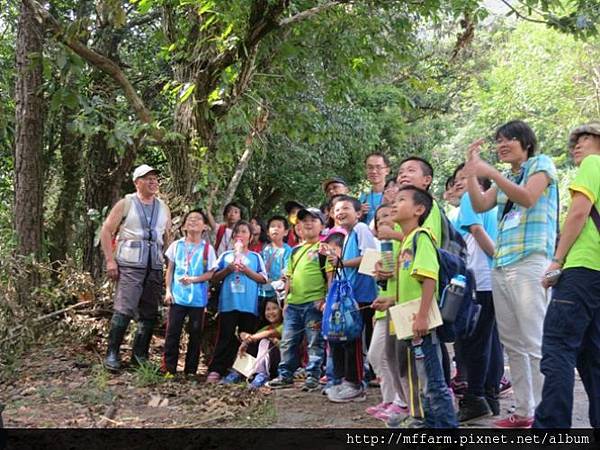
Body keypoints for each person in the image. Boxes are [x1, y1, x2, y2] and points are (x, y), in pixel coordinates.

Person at [464, 120, 558, 428]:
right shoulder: (507, 177)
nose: (502, 145)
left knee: (533, 339)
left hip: (531, 261)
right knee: (512, 342)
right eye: (499, 141)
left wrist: (489, 172)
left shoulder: (541, 164)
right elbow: (479, 205)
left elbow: (528, 198)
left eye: (508, 140)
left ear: (526, 142)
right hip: (502, 265)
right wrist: (470, 172)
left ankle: (547, 414)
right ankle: (524, 411)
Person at [534, 122, 600, 428]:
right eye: (574, 141)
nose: (577, 146)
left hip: (582, 270)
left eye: (584, 139)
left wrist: (557, 259)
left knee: (558, 348)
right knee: (593, 358)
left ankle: (550, 429)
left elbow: (578, 212)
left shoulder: (594, 163)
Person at [376, 185, 458, 428]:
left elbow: (429, 278)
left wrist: (422, 317)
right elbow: (410, 283)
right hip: (409, 319)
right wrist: (390, 301)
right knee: (421, 375)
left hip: (421, 322)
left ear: (419, 209)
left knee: (432, 378)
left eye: (402, 200)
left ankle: (446, 427)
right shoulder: (407, 242)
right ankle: (429, 422)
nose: (394, 204)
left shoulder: (421, 237)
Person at [100, 164, 171, 371]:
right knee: (124, 308)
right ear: (136, 182)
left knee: (149, 312)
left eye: (155, 179)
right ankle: (112, 353)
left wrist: (169, 264)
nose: (153, 182)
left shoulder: (163, 207)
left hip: (154, 265)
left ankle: (139, 355)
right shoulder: (126, 203)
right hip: (130, 264)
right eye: (147, 178)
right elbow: (106, 231)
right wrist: (110, 260)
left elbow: (167, 237)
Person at [452, 164, 504, 421]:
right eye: (459, 179)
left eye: (466, 178)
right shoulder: (491, 205)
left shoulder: (471, 200)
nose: (460, 183)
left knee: (474, 342)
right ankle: (488, 397)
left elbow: (477, 232)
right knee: (487, 341)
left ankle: (475, 398)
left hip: (480, 280)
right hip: (490, 280)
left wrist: (497, 259)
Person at [267, 207, 333, 391]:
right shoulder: (295, 251)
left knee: (314, 341)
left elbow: (330, 276)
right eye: (304, 220)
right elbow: (289, 276)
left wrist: (326, 299)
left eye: (313, 219)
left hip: (315, 303)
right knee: (288, 341)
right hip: (294, 304)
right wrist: (286, 300)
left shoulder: (324, 248)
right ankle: (285, 375)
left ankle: (313, 376)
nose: (308, 223)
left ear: (322, 224)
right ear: (298, 227)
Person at [326, 195, 378, 403]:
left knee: (354, 340)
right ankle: (343, 381)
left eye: (346, 208)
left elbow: (371, 257)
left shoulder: (361, 229)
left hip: (360, 295)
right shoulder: (346, 236)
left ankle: (355, 384)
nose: (340, 212)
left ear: (358, 213)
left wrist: (343, 262)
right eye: (337, 209)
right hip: (348, 295)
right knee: (342, 338)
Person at [206, 220, 268, 383]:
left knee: (246, 338)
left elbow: (263, 279)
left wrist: (246, 270)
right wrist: (228, 269)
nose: (240, 235)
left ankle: (241, 372)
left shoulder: (256, 257)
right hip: (228, 304)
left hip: (248, 305)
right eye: (237, 232)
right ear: (233, 236)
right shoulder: (225, 256)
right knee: (225, 336)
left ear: (250, 237)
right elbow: (213, 278)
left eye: (244, 232)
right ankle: (216, 370)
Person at [366, 203, 409, 421]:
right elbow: (382, 280)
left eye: (389, 215)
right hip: (384, 309)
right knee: (378, 356)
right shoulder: (380, 247)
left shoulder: (406, 239)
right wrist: (380, 276)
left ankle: (402, 402)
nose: (384, 220)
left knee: (398, 358)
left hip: (401, 305)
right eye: (379, 218)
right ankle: (389, 399)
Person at [162, 210, 216, 376]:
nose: (193, 221)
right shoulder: (176, 246)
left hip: (197, 300)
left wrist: (193, 279)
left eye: (198, 219)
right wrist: (168, 291)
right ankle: (169, 369)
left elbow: (211, 273)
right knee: (172, 333)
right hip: (178, 298)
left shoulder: (208, 249)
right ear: (184, 226)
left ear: (205, 226)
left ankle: (190, 371)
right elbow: (170, 270)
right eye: (190, 219)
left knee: (195, 334)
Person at [222, 298, 284, 387]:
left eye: (274, 308)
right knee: (251, 343)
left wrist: (251, 338)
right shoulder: (265, 328)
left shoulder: (285, 325)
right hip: (263, 362)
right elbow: (252, 338)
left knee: (264, 341)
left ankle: (262, 375)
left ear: (282, 310)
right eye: (268, 309)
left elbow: (270, 333)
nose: (271, 312)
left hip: (279, 364)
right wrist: (244, 338)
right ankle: (238, 372)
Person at [258, 216, 292, 325]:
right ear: (267, 232)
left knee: (277, 322)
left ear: (286, 232)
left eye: (279, 226)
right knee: (262, 321)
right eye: (272, 226)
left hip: (278, 293)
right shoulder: (264, 250)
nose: (275, 229)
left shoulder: (287, 250)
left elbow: (287, 273)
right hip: (263, 291)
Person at [359, 152, 391, 224]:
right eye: (370, 167)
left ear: (387, 170)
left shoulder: (393, 195)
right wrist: (359, 213)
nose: (374, 171)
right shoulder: (363, 197)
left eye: (378, 167)